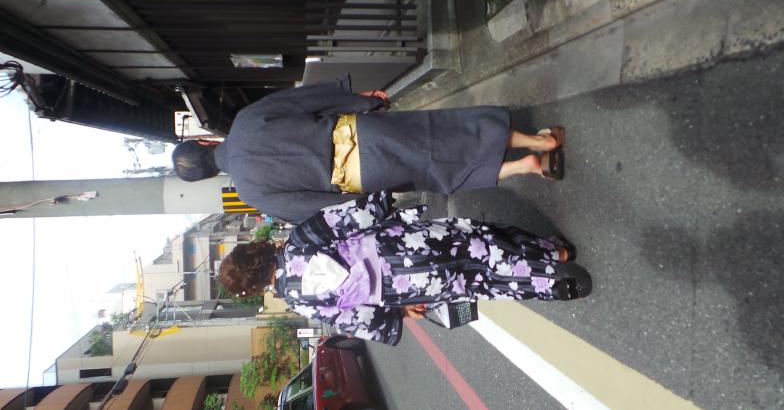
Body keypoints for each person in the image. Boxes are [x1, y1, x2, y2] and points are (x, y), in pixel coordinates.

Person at [173, 75, 564, 223]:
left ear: (209, 175)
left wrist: (371, 206)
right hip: (361, 133)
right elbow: (305, 102)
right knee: (445, 131)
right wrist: (362, 100)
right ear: (204, 141)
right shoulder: (245, 121)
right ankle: (538, 141)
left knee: (438, 174)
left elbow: (313, 209)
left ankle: (524, 167)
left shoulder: (249, 193)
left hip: (363, 176)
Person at [219, 192, 591, 345]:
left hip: (404, 289)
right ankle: (551, 256)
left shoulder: (301, 302)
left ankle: (548, 288)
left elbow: (356, 321)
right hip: (398, 247)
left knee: (476, 282)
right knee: (476, 240)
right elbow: (352, 216)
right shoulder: (300, 240)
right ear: (258, 251)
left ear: (255, 286)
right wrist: (383, 198)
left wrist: (400, 312)